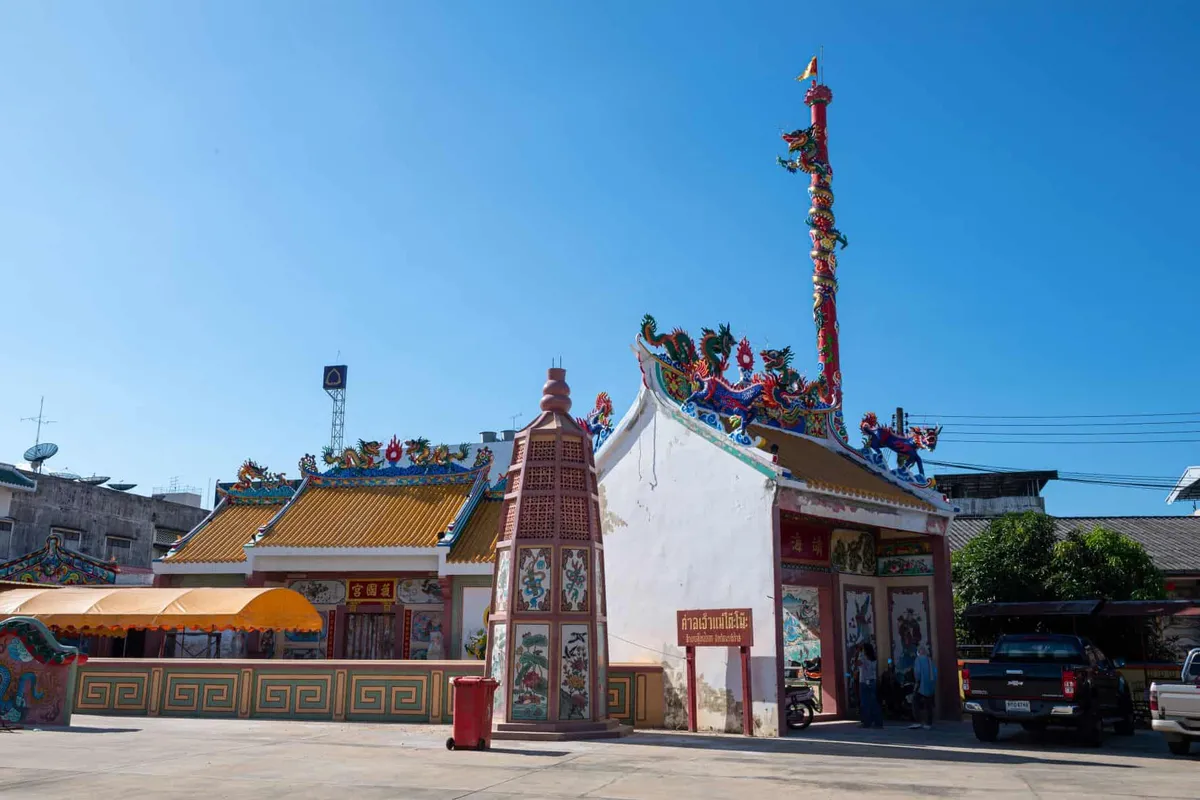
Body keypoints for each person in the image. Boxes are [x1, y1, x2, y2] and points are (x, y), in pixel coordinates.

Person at [909, 644, 936, 730]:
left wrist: (917, 682)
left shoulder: (918, 660)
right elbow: (935, 672)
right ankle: (929, 722)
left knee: (915, 701)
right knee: (928, 704)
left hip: (921, 685)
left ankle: (918, 721)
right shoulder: (929, 660)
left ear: (919, 652)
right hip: (930, 685)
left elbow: (917, 672)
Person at [858, 642, 883, 728]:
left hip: (864, 682)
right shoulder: (873, 659)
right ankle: (878, 722)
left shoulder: (862, 657)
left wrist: (859, 653)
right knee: (874, 702)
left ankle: (866, 722)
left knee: (865, 703)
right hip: (872, 681)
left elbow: (858, 664)